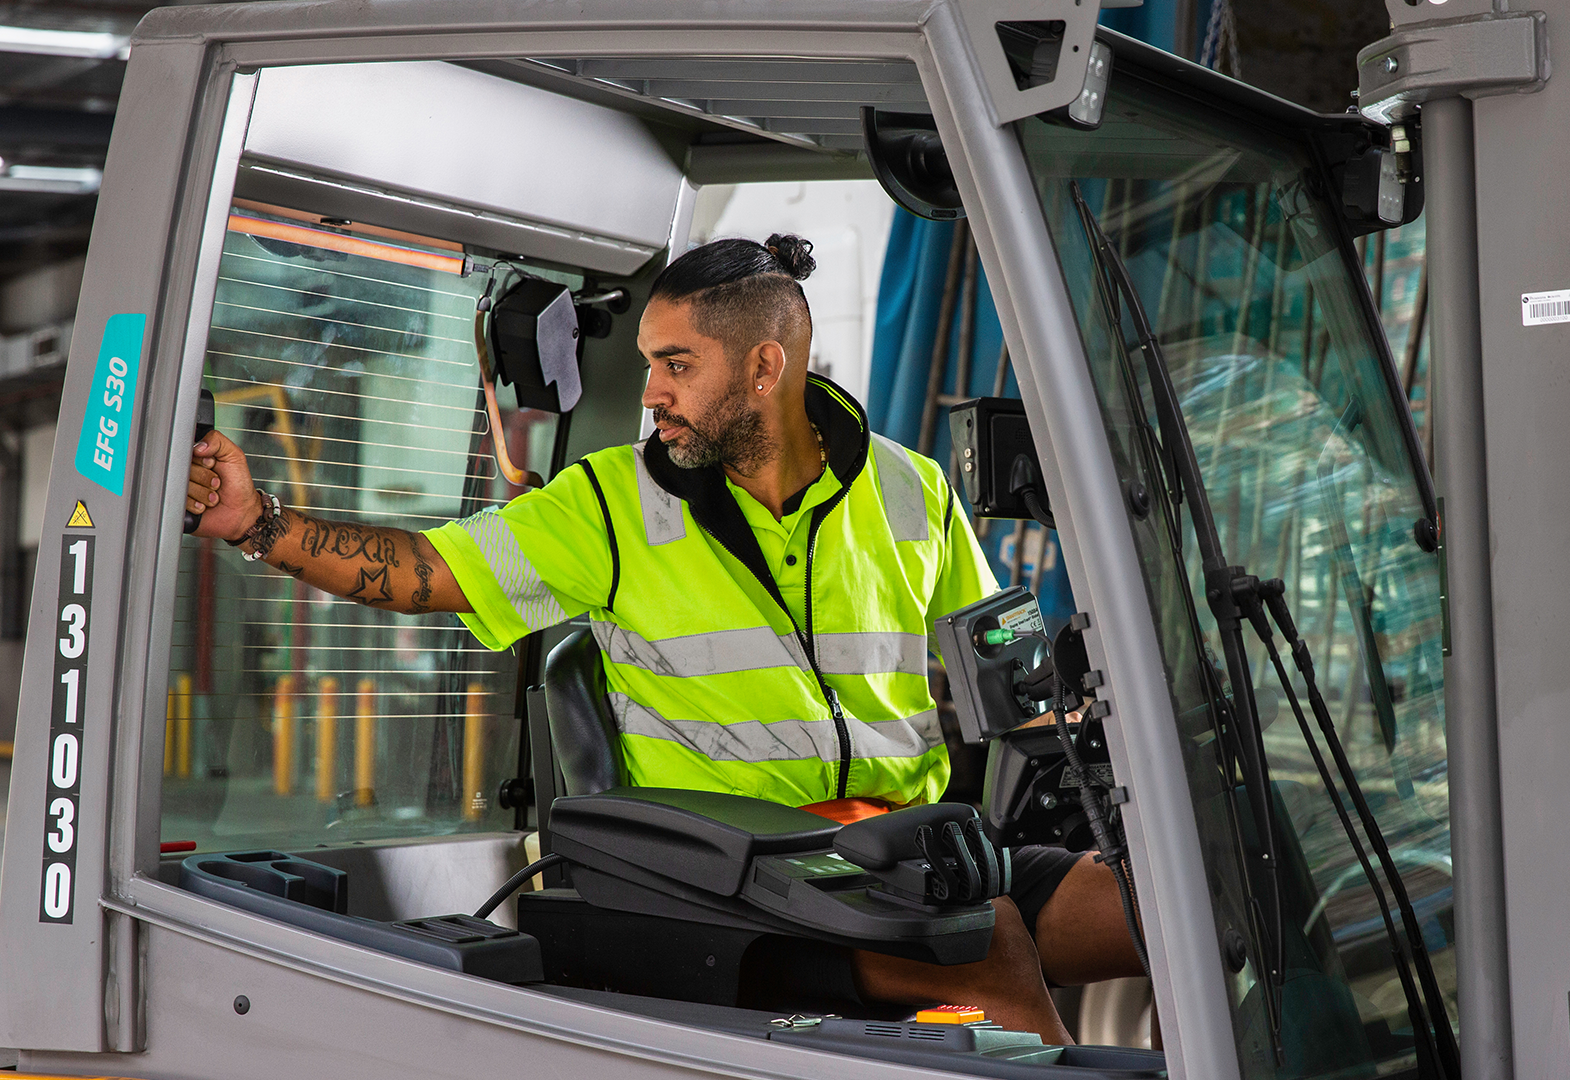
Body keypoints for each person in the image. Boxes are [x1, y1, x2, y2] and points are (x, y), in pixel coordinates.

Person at [187, 233, 1145, 1041]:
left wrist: (1077, 757)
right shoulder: (609, 504)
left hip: (904, 848)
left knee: (1169, 906)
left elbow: (1005, 675)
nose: (651, 392)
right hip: (743, 871)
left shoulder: (912, 488)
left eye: (676, 364)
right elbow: (422, 571)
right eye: (648, 363)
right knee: (1000, 952)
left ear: (766, 366)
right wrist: (260, 522)